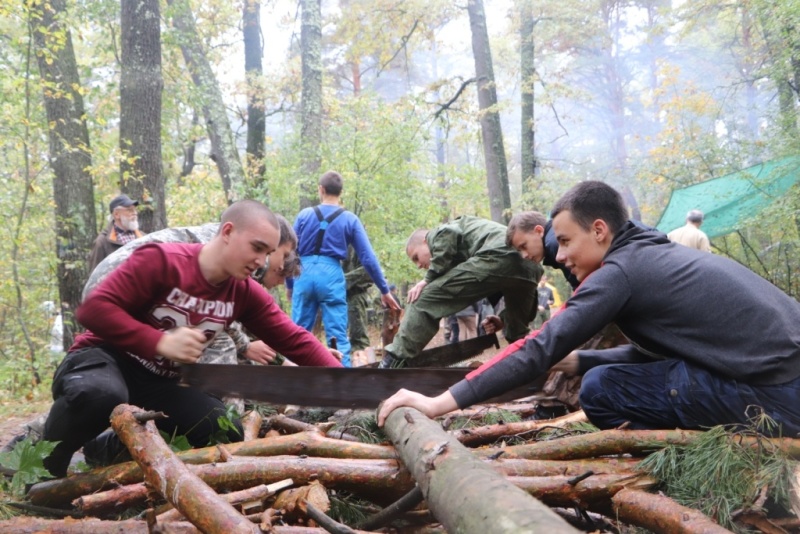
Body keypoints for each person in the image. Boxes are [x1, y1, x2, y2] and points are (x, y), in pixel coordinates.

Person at [378, 181, 800, 439]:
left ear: (599, 230)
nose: (558, 257)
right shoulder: (650, 253)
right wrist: (576, 359)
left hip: (779, 395)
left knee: (601, 390)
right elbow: (664, 353)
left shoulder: (621, 272)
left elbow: (538, 346)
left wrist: (439, 403)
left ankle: (677, 451)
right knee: (597, 373)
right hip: (784, 379)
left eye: (564, 242)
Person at [41, 200, 342, 478]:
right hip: (104, 357)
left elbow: (294, 339)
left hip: (158, 381)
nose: (262, 262)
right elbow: (94, 309)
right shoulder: (162, 260)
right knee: (100, 394)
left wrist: (347, 381)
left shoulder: (244, 292)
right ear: (227, 232)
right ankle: (41, 467)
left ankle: (103, 448)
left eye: (267, 253)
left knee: (219, 429)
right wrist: (159, 342)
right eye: (257, 248)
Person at [379, 215, 542, 368]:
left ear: (425, 241)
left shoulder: (438, 233)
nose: (419, 265)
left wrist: (427, 279)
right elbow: (507, 285)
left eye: (416, 257)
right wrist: (503, 319)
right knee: (518, 333)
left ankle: (393, 361)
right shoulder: (521, 250)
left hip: (499, 255)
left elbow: (451, 233)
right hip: (531, 267)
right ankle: (533, 369)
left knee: (424, 300)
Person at [288, 171, 399, 366]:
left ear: (320, 190)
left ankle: (294, 386)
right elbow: (368, 258)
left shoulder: (304, 215)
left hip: (303, 273)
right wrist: (384, 289)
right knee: (338, 337)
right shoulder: (349, 219)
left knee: (298, 334)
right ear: (341, 193)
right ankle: (341, 385)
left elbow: (288, 252)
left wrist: (290, 285)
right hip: (331, 275)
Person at [88, 194, 144, 271]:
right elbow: (95, 276)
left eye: (135, 210)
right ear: (116, 214)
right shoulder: (102, 242)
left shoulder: (143, 237)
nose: (135, 213)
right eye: (129, 210)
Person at [344, 246, 373, 352]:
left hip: (355, 296)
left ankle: (361, 366)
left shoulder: (358, 243)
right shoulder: (335, 242)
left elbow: (369, 269)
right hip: (340, 297)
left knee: (358, 341)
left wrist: (341, 280)